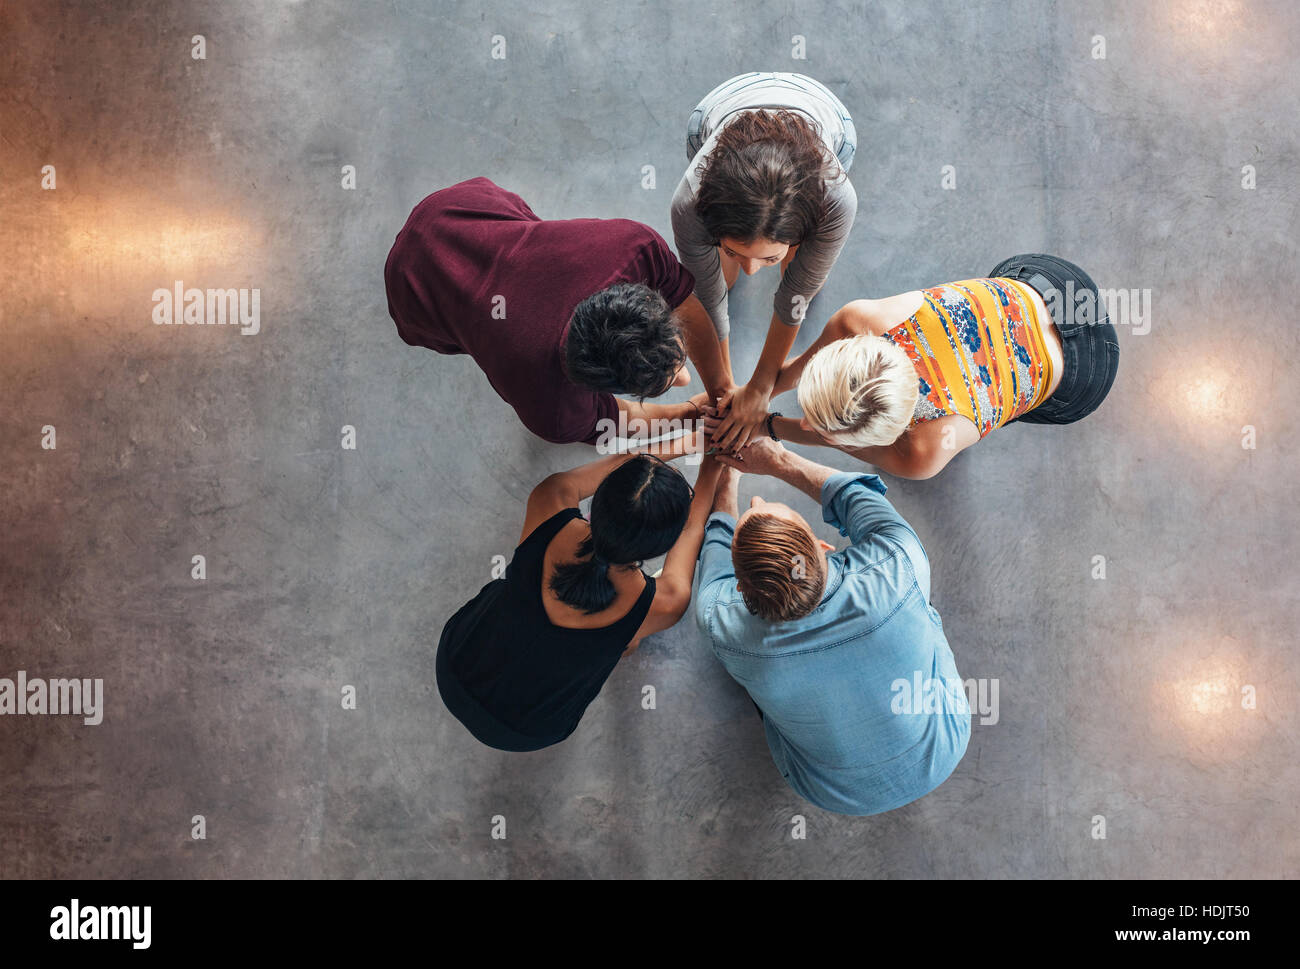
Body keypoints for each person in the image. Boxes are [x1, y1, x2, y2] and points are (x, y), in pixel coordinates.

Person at [693, 438, 969, 816]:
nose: (758, 503)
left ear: (740, 588)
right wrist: (777, 460)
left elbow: (715, 559)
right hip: (944, 749)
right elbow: (852, 494)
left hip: (831, 793)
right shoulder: (897, 566)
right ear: (823, 546)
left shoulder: (721, 624)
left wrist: (729, 480)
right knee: (917, 605)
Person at [385, 176, 725, 445]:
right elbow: (607, 421)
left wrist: (721, 389)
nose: (684, 375)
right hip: (414, 282)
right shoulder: (553, 410)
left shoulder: (632, 247)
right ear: (594, 387)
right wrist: (688, 415)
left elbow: (681, 298)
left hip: (460, 207)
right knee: (468, 325)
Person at [437, 447, 723, 752]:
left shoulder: (550, 500)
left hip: (456, 664)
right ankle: (625, 642)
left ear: (600, 500)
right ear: (662, 544)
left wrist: (689, 440)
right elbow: (693, 528)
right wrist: (715, 458)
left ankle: (624, 641)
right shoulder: (667, 602)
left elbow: (622, 461)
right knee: (625, 641)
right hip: (530, 729)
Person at [761, 253, 1120, 478]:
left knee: (1010, 411)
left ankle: (996, 406)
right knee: (987, 406)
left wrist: (766, 426)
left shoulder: (923, 454)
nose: (805, 422)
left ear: (892, 434)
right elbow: (802, 369)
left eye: (821, 428)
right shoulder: (856, 320)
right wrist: (756, 395)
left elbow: (852, 445)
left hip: (1085, 373)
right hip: (1049, 283)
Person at [671, 73, 859, 452]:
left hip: (830, 119)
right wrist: (722, 390)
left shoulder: (837, 199)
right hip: (719, 106)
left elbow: (795, 297)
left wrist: (759, 389)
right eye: (734, 250)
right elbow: (706, 299)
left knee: (805, 279)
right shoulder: (690, 204)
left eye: (768, 257)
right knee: (718, 283)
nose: (753, 270)